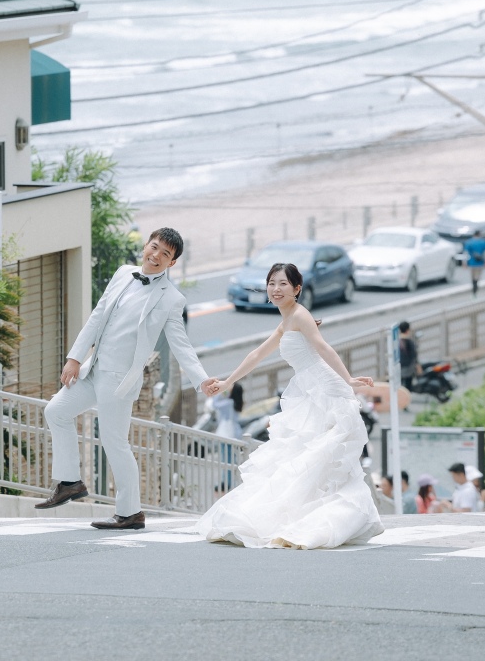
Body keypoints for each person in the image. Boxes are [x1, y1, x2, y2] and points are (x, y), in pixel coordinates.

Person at [36, 227, 216, 530]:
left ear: (172, 263)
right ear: (146, 245)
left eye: (165, 254)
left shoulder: (171, 298)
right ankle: (70, 482)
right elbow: (98, 315)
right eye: (154, 247)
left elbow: (180, 344)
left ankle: (131, 512)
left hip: (119, 381)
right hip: (93, 369)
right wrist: (75, 358)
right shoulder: (123, 273)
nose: (156, 256)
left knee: (114, 442)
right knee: (55, 411)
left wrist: (201, 380)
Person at [196, 261, 383, 549]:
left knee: (321, 455)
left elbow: (323, 348)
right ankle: (299, 518)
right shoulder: (286, 321)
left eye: (283, 283)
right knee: (306, 455)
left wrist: (348, 380)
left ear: (297, 289)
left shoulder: (300, 315)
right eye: (272, 283)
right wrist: (227, 381)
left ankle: (322, 521)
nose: (276, 289)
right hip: (310, 390)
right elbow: (257, 354)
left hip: (325, 389)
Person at [463, 229, 485, 296]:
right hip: (480, 263)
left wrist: (464, 263)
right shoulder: (483, 242)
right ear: (479, 234)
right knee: (477, 276)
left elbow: (465, 254)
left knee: (472, 276)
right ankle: (475, 287)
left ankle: (474, 287)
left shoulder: (468, 242)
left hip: (472, 263)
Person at [398, 322, 421, 391]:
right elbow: (414, 355)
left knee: (400, 387)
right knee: (408, 387)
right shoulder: (409, 341)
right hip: (408, 368)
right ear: (407, 330)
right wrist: (418, 366)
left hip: (399, 368)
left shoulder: (397, 341)